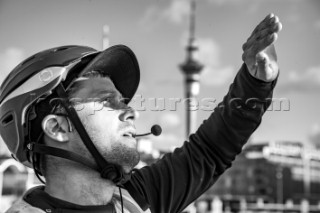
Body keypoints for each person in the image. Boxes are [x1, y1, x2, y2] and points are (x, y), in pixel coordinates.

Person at [1, 13, 282, 213]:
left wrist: (255, 83)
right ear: (58, 128)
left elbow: (209, 151)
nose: (130, 111)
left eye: (122, 100)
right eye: (106, 100)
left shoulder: (137, 197)